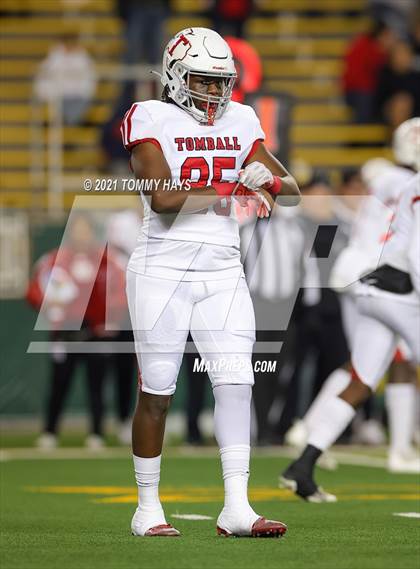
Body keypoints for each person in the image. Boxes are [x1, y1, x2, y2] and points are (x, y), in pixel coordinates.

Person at [120, 27, 300, 537]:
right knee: (157, 390)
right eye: (203, 81)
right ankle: (147, 507)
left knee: (237, 381)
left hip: (223, 269)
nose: (214, 93)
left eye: (221, 82)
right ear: (177, 76)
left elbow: (291, 191)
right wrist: (231, 184)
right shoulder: (149, 116)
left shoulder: (242, 119)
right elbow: (163, 200)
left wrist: (268, 180)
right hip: (162, 268)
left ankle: (236, 507)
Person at [279, 118, 420, 502]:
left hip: (371, 285)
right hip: (400, 290)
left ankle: (303, 464)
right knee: (379, 372)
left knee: (361, 378)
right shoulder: (406, 184)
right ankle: (399, 448)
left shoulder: (401, 183)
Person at [26, 213, 127, 449]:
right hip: (65, 332)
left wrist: (105, 312)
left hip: (96, 333)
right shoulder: (54, 260)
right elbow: (34, 291)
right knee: (59, 383)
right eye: (77, 229)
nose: (82, 234)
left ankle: (96, 433)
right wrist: (50, 305)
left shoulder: (108, 261)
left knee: (97, 384)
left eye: (86, 229)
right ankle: (49, 431)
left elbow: (122, 293)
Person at [34, 32, 97, 126]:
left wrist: (85, 93)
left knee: (76, 113)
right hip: (57, 97)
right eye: (67, 42)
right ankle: (66, 120)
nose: (69, 45)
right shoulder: (53, 58)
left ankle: (73, 120)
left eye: (71, 42)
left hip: (79, 96)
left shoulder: (83, 59)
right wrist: (46, 93)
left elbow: (91, 79)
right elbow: (42, 76)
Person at [342, 21, 395, 123]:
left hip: (359, 90)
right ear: (381, 35)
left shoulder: (363, 43)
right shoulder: (369, 47)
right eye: (387, 35)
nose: (390, 40)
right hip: (359, 91)